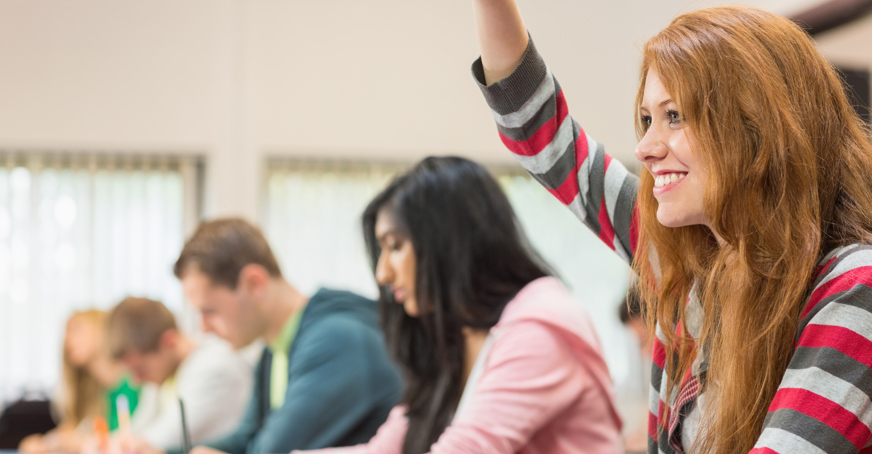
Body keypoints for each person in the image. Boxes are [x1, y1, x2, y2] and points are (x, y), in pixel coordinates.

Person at [469, 1, 872, 453]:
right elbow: (538, 128)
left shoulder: (854, 288)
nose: (645, 147)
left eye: (674, 116)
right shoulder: (689, 261)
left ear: (758, 125)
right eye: (647, 120)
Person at [298, 156, 622, 454]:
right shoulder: (457, 338)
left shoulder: (539, 327)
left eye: (395, 246)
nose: (383, 273)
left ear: (446, 241)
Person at [168, 218, 403, 454]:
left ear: (254, 284)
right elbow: (245, 438)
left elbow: (272, 451)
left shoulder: (336, 342)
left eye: (209, 311)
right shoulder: (273, 350)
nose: (203, 327)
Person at [105, 297, 252, 450]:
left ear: (169, 342)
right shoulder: (166, 373)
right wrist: (108, 443)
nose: (136, 380)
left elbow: (160, 439)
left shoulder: (212, 367)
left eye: (140, 369)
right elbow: (139, 427)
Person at [19, 310, 140, 454]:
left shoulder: (137, 381)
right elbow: (70, 432)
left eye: (77, 329)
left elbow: (137, 438)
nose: (68, 340)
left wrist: (84, 443)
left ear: (102, 329)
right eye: (67, 333)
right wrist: (44, 443)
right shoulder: (90, 393)